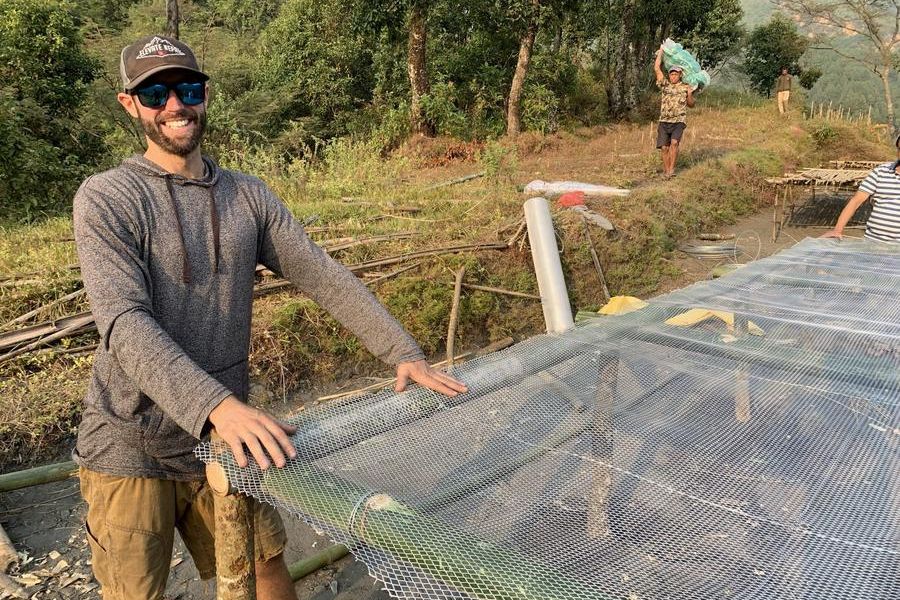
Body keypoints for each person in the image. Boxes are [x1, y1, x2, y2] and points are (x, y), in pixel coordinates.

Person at [73, 35, 468, 600]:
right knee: (135, 592)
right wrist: (216, 407)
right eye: (155, 92)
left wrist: (401, 351)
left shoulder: (248, 197)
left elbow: (321, 273)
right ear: (130, 103)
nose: (174, 105)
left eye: (187, 88)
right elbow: (123, 321)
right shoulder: (110, 198)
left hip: (228, 438)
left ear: (204, 93)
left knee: (265, 569)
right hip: (130, 440)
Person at [822, 135, 900, 242]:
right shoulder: (881, 171)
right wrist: (838, 230)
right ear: (897, 150)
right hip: (873, 242)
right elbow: (856, 201)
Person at [654, 48, 695, 178]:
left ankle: (672, 170)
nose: (673, 76)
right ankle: (666, 171)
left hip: (678, 121)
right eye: (671, 74)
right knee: (664, 148)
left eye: (676, 74)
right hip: (664, 120)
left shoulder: (685, 87)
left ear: (680, 75)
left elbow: (691, 105)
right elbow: (657, 68)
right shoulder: (665, 85)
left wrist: (689, 94)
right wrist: (661, 51)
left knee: (675, 143)